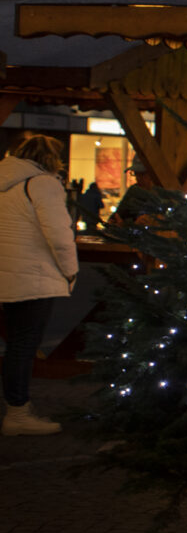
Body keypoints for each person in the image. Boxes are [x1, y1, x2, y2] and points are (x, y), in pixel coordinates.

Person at [1, 134, 78, 437]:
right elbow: (59, 235)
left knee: (15, 344)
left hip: (8, 273)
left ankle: (16, 408)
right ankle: (17, 413)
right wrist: (71, 272)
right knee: (23, 345)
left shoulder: (6, 182)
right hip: (33, 276)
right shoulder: (43, 184)